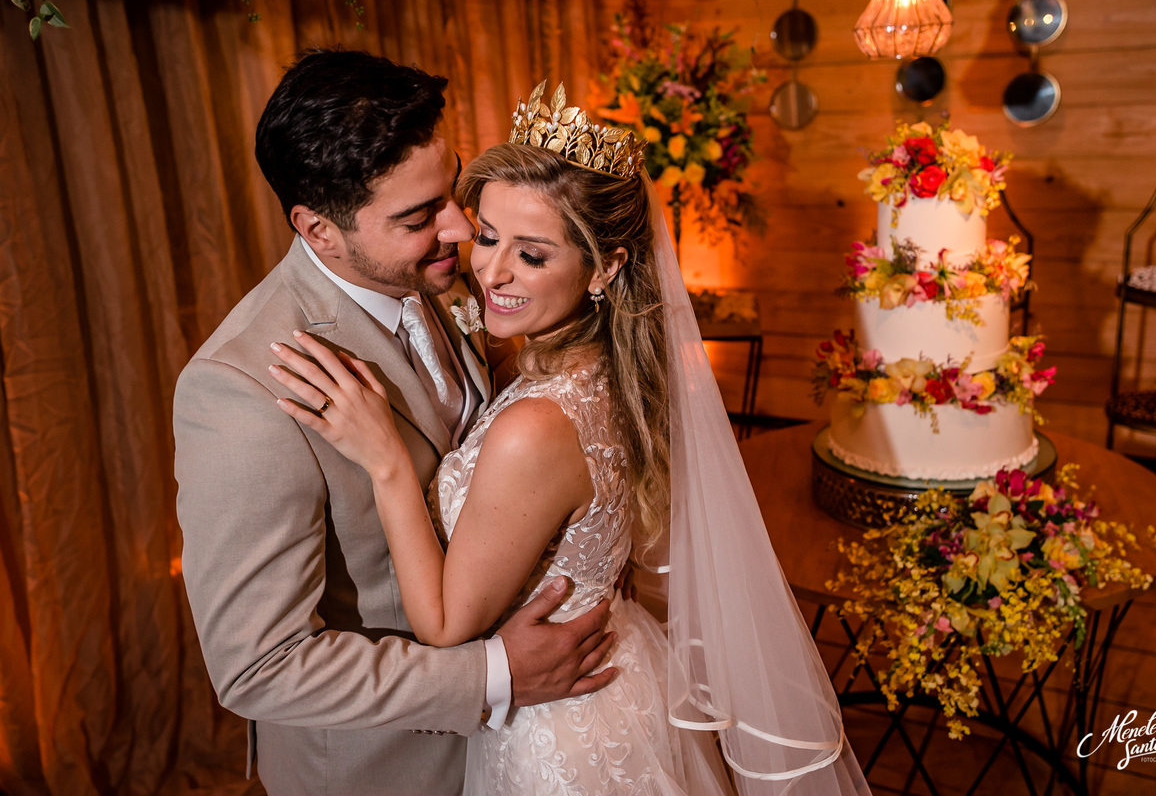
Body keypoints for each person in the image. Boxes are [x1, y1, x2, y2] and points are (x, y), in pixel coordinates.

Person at [269, 82, 872, 795]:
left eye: (532, 255)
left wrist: (387, 462)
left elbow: (444, 625)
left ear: (605, 267)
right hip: (617, 672)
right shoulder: (604, 369)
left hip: (555, 734)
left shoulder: (536, 426)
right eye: (488, 236)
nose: (490, 272)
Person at [173, 53, 621, 796]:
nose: (461, 228)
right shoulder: (240, 390)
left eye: (451, 191)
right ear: (319, 229)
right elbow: (259, 666)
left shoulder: (454, 279)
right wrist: (494, 673)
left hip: (527, 746)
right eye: (419, 217)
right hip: (383, 770)